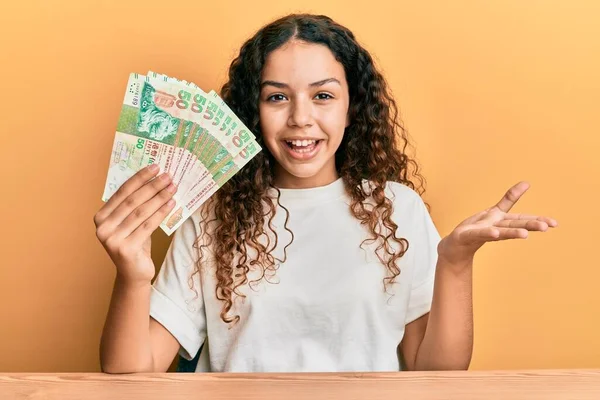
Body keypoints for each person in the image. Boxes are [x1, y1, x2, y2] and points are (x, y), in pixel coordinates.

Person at [94, 13, 557, 374]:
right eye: (277, 97)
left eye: (323, 96)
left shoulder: (397, 210)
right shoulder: (211, 218)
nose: (299, 118)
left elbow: (435, 371)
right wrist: (132, 275)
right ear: (253, 112)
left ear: (352, 107)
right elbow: (133, 370)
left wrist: (455, 263)